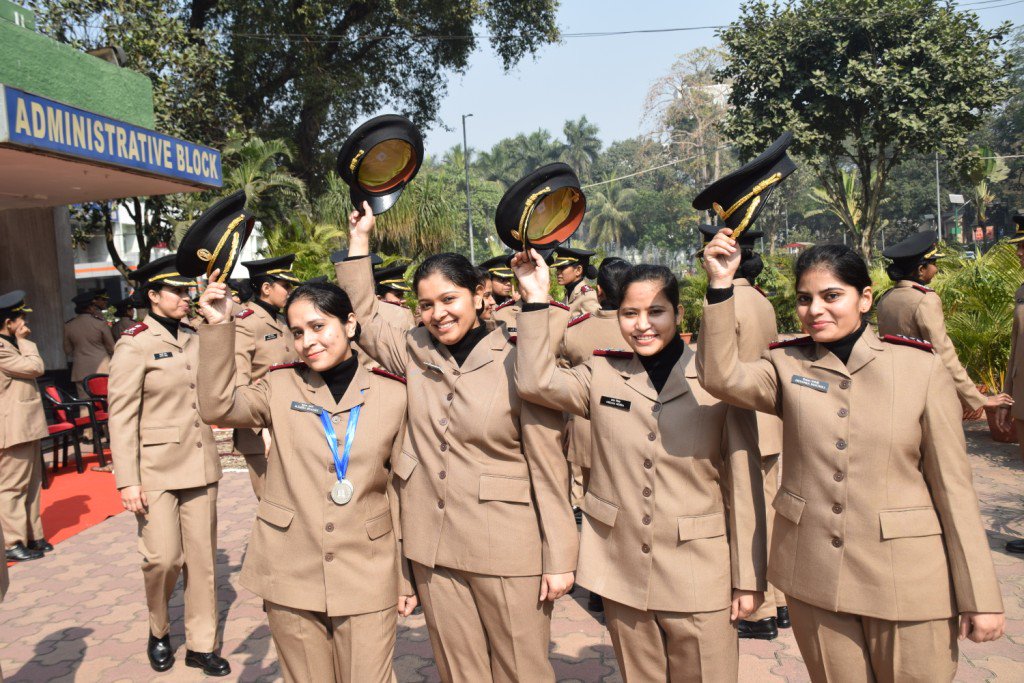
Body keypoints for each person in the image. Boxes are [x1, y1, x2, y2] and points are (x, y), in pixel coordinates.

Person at [698, 233, 1005, 682]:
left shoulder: (919, 368)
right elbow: (720, 376)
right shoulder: (786, 365)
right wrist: (721, 285)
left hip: (909, 578)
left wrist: (981, 597)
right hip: (816, 576)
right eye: (804, 299)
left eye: (831, 296)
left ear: (864, 298)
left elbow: (953, 488)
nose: (815, 310)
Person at [336, 203, 578, 683]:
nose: (438, 314)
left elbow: (549, 464)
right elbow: (361, 314)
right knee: (457, 671)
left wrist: (560, 557)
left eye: (449, 299)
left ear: (479, 294)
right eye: (426, 305)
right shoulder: (413, 350)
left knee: (522, 670)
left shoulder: (518, 358)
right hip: (435, 545)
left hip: (508, 546)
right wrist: (359, 241)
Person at [513, 252, 766, 682]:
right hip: (624, 568)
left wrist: (748, 577)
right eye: (630, 313)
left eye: (656, 312)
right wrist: (537, 298)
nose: (642, 324)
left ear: (679, 314)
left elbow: (744, 482)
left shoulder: (718, 380)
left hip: (700, 570)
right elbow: (535, 382)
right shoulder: (602, 373)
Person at [196, 274, 417, 683]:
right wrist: (217, 327)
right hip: (290, 564)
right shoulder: (280, 384)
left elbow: (401, 490)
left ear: (350, 324)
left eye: (318, 326)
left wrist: (405, 576)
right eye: (297, 332)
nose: (307, 341)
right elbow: (217, 407)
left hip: (367, 567)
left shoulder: (394, 393)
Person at [107, 255, 229, 676]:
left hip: (199, 462)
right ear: (154, 296)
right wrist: (127, 480)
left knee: (202, 561)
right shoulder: (134, 342)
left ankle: (201, 644)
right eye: (176, 291)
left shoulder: (195, 335)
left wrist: (219, 319)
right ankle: (158, 629)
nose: (184, 297)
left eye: (186, 290)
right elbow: (121, 416)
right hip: (155, 469)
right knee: (163, 559)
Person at [698, 225, 790, 640]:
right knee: (766, 511)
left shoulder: (722, 302)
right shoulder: (760, 299)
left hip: (737, 418)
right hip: (766, 419)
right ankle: (780, 601)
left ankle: (759, 612)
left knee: (745, 517)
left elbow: (710, 370)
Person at [556, 255, 631, 616]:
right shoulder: (640, 327)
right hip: (632, 433)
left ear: (598, 291)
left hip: (588, 432)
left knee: (594, 510)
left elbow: (560, 372)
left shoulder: (578, 330)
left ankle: (599, 588)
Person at [877, 230, 1009, 413]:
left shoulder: (887, 298)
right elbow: (944, 353)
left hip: (898, 390)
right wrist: (978, 398)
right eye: (934, 263)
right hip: (928, 394)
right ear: (921, 270)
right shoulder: (925, 299)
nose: (937, 269)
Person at [234, 255, 302, 499]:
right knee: (272, 502)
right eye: (285, 285)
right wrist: (261, 425)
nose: (290, 291)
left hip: (290, 419)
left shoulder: (282, 320)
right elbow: (239, 382)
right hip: (261, 430)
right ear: (266, 288)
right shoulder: (246, 323)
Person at [0, 291, 50, 562]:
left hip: (27, 425)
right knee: (12, 487)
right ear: (8, 323)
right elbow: (35, 367)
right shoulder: (3, 348)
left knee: (31, 485)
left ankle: (33, 535)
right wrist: (24, 342)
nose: (25, 323)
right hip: (12, 428)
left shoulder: (11, 344)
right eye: (20, 318)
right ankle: (12, 542)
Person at [998, 217, 1024, 554]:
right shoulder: (1022, 292)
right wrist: (1006, 397)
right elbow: (1015, 349)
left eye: (1023, 247)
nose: (1019, 253)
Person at [64, 288, 115, 396]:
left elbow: (67, 350)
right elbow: (111, 347)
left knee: (85, 402)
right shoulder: (100, 323)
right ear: (90, 307)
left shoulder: (68, 326)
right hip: (102, 369)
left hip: (80, 370)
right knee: (105, 400)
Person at [553, 246, 600, 318]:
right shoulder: (570, 293)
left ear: (578, 270)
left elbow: (595, 323)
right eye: (557, 269)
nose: (557, 272)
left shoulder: (588, 296)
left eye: (562, 268)